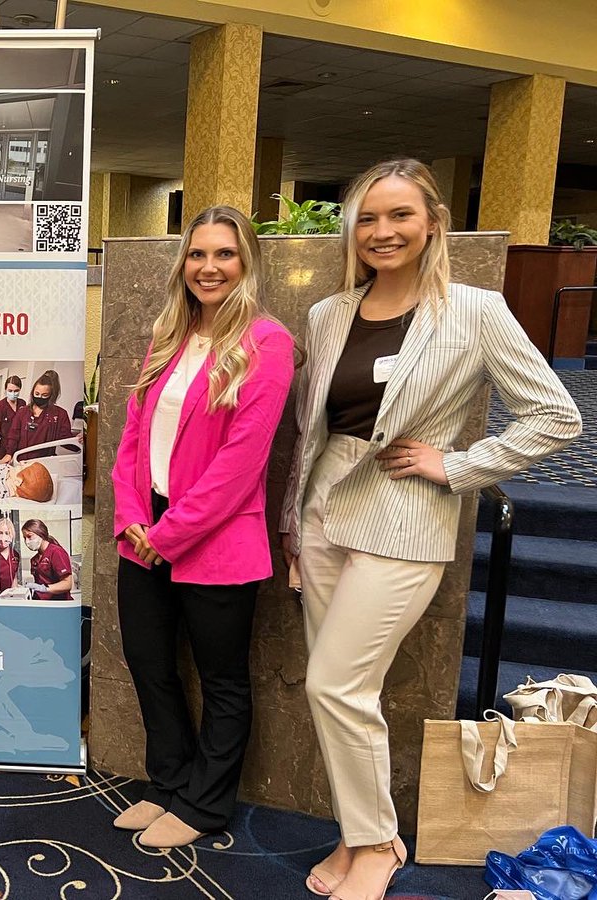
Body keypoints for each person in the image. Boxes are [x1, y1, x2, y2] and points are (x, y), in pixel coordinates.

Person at [279, 159, 581, 900]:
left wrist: (459, 464)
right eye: (369, 219)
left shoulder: (474, 310)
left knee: (335, 683)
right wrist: (293, 522)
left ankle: (378, 843)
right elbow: (311, 433)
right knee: (341, 690)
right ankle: (361, 836)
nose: (382, 232)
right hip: (324, 509)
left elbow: (557, 414)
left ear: (432, 222)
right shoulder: (329, 313)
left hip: (406, 514)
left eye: (399, 216)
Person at [110, 206, 295, 850]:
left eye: (224, 254)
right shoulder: (169, 332)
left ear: (247, 263)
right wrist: (134, 517)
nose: (208, 267)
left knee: (221, 679)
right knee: (148, 661)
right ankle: (170, 782)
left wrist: (168, 534)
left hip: (214, 540)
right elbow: (133, 435)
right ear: (182, 263)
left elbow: (242, 464)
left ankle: (206, 804)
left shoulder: (267, 342)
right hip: (145, 530)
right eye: (197, 254)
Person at [0, 370, 73, 462]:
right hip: (22, 460)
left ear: (51, 395)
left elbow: (66, 439)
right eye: (37, 394)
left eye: (44, 395)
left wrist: (79, 440)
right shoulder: (23, 412)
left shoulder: (59, 414)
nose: (39, 397)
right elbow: (14, 435)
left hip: (44, 461)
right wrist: (9, 453)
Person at [21, 519, 73, 601]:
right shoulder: (34, 560)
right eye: (24, 538)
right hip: (43, 603)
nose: (27, 541)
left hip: (59, 603)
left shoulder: (56, 552)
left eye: (29, 536)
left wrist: (44, 588)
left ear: (40, 534)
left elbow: (67, 584)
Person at [0, 375, 25, 457]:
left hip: (19, 442)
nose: (13, 393)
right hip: (4, 443)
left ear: (20, 390)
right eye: (10, 390)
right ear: (5, 390)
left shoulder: (22, 403)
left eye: (16, 391)